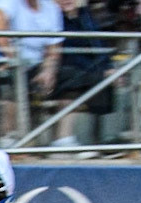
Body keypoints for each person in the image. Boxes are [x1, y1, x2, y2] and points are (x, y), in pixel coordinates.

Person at [0, 0, 65, 145]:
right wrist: (11, 58)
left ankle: (63, 139)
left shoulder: (52, 8)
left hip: (30, 64)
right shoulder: (9, 2)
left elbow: (54, 47)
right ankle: (9, 137)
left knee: (71, 76)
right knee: (6, 77)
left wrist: (48, 70)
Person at [48, 0, 114, 149]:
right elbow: (63, 52)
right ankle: (65, 138)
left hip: (88, 69)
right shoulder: (53, 17)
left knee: (112, 79)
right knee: (77, 79)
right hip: (65, 67)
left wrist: (108, 67)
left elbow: (98, 45)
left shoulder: (85, 15)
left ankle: (104, 140)